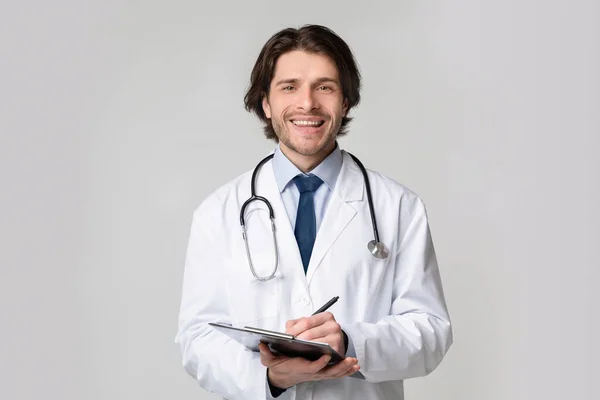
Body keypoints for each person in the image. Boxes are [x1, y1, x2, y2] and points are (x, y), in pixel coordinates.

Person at [175, 24, 452, 400]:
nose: (307, 103)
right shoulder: (218, 211)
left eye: (325, 87)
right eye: (289, 87)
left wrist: (351, 342)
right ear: (266, 103)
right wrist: (272, 378)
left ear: (346, 101)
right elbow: (197, 337)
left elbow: (431, 333)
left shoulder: (398, 207)